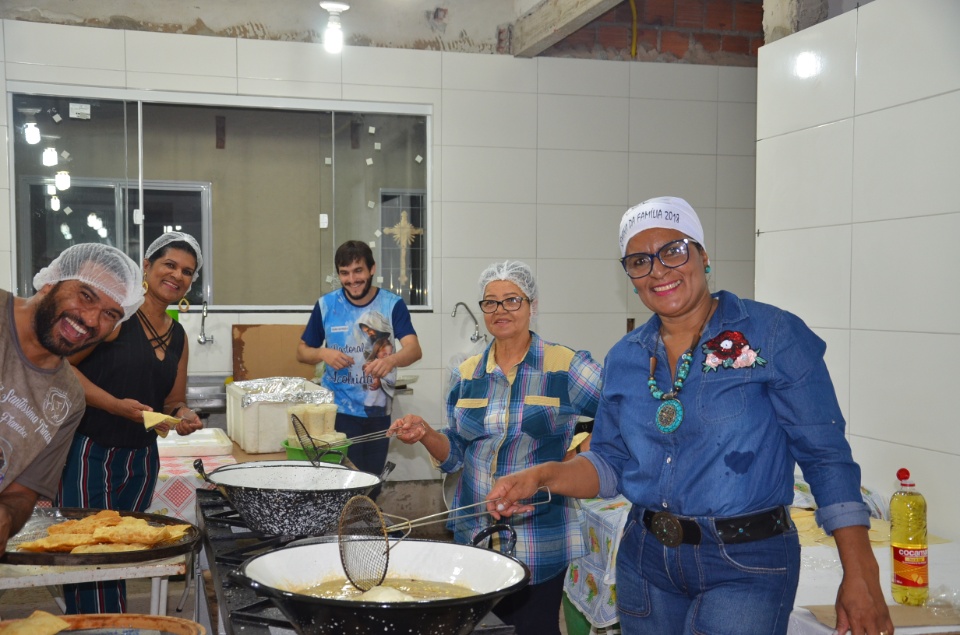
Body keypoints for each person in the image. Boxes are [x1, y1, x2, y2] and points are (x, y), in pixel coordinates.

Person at [486, 197, 894, 635]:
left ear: (703, 255)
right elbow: (609, 463)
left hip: (747, 563)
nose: (658, 270)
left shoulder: (773, 335)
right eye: (640, 261)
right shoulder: (625, 357)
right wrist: (543, 475)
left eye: (674, 251)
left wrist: (862, 573)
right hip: (646, 562)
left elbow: (826, 457)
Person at [390, 261, 603, 635]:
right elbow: (454, 451)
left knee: (533, 628)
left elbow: (620, 412)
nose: (500, 311)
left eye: (511, 301)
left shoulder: (564, 365)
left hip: (540, 536)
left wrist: (584, 455)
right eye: (491, 302)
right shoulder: (467, 373)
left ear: (531, 305)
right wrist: (425, 433)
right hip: (476, 533)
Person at [55, 232, 204, 614]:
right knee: (89, 552)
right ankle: (104, 627)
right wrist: (116, 406)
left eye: (187, 272)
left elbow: (172, 400)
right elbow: (64, 368)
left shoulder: (178, 336)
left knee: (122, 550)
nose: (177, 275)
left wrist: (183, 416)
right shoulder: (115, 317)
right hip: (90, 451)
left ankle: (111, 622)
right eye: (169, 264)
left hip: (141, 458)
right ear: (148, 267)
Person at [0, 243, 141, 558]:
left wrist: (7, 517)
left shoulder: (70, 397)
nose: (91, 320)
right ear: (52, 281)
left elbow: (22, 493)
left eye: (110, 314)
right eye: (86, 295)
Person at [297, 240, 422, 476]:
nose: (352, 280)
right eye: (344, 273)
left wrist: (390, 361)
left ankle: (365, 513)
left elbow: (414, 349)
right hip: (337, 414)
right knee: (340, 482)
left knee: (370, 481)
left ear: (372, 269)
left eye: (358, 271)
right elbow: (302, 352)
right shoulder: (326, 305)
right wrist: (323, 353)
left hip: (377, 413)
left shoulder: (392, 305)